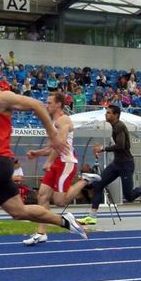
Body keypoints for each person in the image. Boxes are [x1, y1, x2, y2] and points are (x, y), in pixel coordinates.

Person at [0, 61, 87, 253]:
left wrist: (52, 135)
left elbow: (36, 105)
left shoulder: (1, 98)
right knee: (19, 212)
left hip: (0, 162)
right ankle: (64, 220)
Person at [22, 92, 101, 246]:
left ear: (59, 104)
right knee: (42, 196)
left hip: (66, 163)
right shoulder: (54, 122)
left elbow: (61, 143)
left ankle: (86, 179)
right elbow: (53, 146)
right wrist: (37, 153)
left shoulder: (63, 120)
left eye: (50, 103)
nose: (47, 105)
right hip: (57, 162)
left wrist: (49, 161)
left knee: (59, 201)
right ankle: (41, 233)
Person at [78, 104, 141, 225]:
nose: (106, 114)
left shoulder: (119, 126)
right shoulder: (115, 127)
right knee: (98, 185)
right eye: (106, 112)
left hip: (126, 165)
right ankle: (92, 217)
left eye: (109, 113)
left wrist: (103, 148)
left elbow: (121, 146)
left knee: (129, 196)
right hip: (116, 164)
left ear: (115, 115)